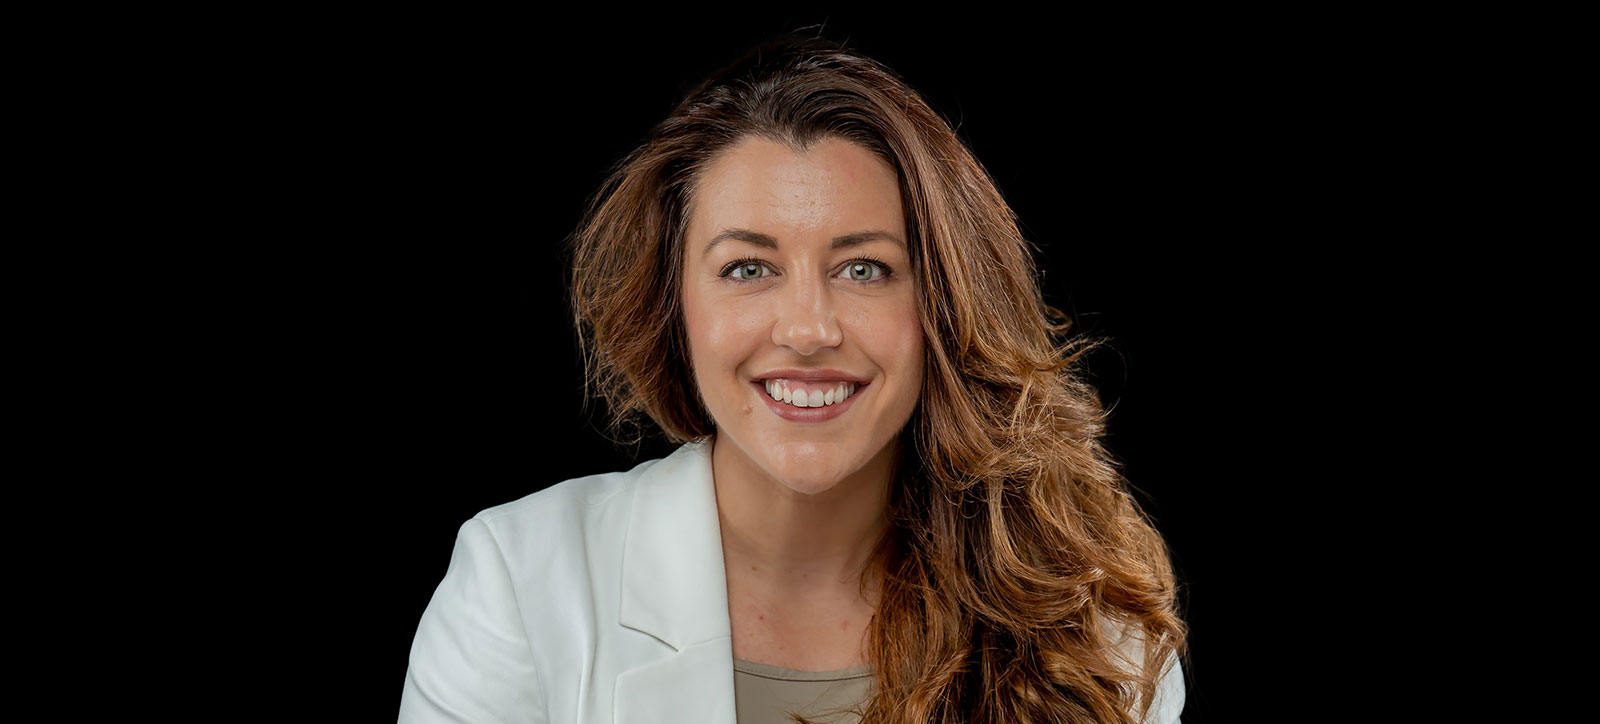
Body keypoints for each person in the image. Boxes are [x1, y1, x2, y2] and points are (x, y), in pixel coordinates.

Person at [399, 32, 1187, 724]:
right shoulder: (518, 582)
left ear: (942, 307)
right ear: (674, 305)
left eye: (864, 268)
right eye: (748, 267)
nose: (808, 328)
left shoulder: (1092, 624)